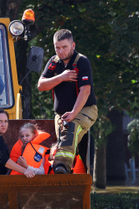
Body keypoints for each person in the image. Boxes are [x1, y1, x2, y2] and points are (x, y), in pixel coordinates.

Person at [37, 29, 98, 174]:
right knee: (66, 143)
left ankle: (60, 168)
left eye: (64, 47)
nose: (60, 51)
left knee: (70, 129)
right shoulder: (53, 62)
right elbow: (41, 85)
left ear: (73, 45)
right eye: (57, 48)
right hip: (62, 114)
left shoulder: (82, 61)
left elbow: (85, 91)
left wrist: (73, 113)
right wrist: (61, 77)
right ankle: (71, 176)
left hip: (84, 110)